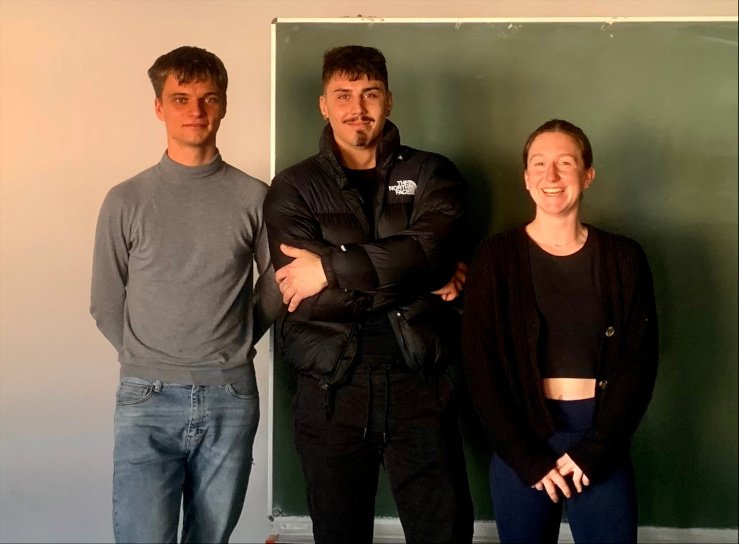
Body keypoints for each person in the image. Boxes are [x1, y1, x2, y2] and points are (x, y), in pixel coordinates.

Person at [263, 45, 473, 544]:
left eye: (369, 93)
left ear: (389, 100)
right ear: (324, 105)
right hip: (331, 389)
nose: (357, 108)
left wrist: (330, 267)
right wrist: (416, 276)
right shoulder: (293, 187)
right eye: (343, 95)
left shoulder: (432, 173)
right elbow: (308, 298)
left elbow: (433, 253)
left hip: (420, 383)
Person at [90, 46, 281, 543]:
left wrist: (238, 339)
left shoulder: (254, 197)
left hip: (230, 396)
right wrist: (149, 360)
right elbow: (105, 300)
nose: (195, 110)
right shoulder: (126, 199)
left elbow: (277, 282)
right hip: (146, 399)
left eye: (208, 98)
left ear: (223, 105)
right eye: (180, 99)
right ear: (159, 107)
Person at [462, 119, 659, 543]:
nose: (551, 176)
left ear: (587, 175)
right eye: (539, 164)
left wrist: (595, 451)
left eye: (565, 163)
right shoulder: (494, 259)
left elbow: (639, 365)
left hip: (600, 438)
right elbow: (481, 370)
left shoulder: (625, 259)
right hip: (520, 440)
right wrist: (525, 458)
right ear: (526, 178)